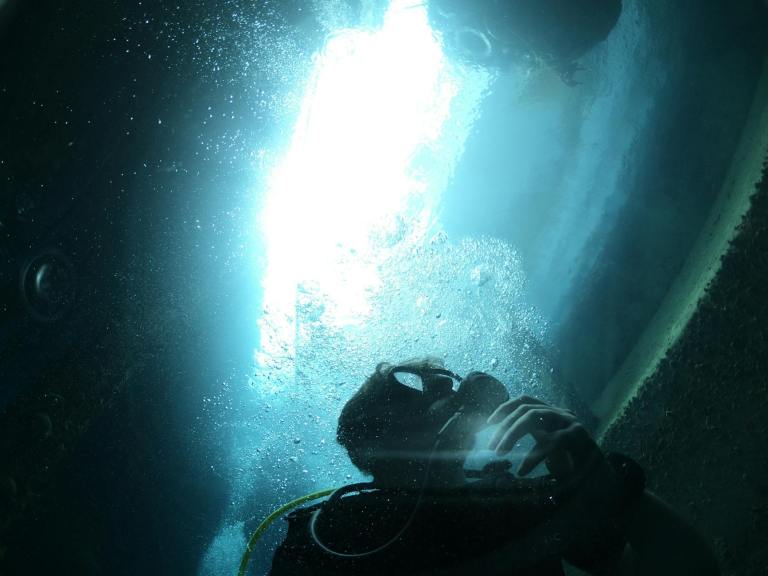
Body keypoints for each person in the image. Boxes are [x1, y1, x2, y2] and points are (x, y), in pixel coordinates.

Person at [269, 358, 720, 576]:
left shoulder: (505, 500)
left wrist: (597, 479)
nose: (450, 396)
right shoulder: (338, 539)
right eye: (420, 397)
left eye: (446, 387)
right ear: (373, 451)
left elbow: (692, 569)